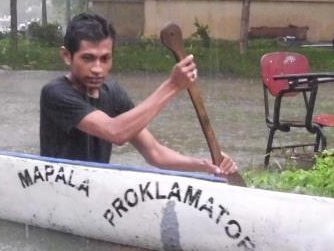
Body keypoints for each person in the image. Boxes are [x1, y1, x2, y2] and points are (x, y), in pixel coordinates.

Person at [40, 12, 238, 177]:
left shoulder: (112, 93)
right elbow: (116, 132)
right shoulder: (56, 93)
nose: (98, 69)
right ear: (67, 56)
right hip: (59, 192)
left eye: (105, 59)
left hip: (94, 191)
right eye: (88, 59)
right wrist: (172, 85)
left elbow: (155, 153)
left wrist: (205, 165)